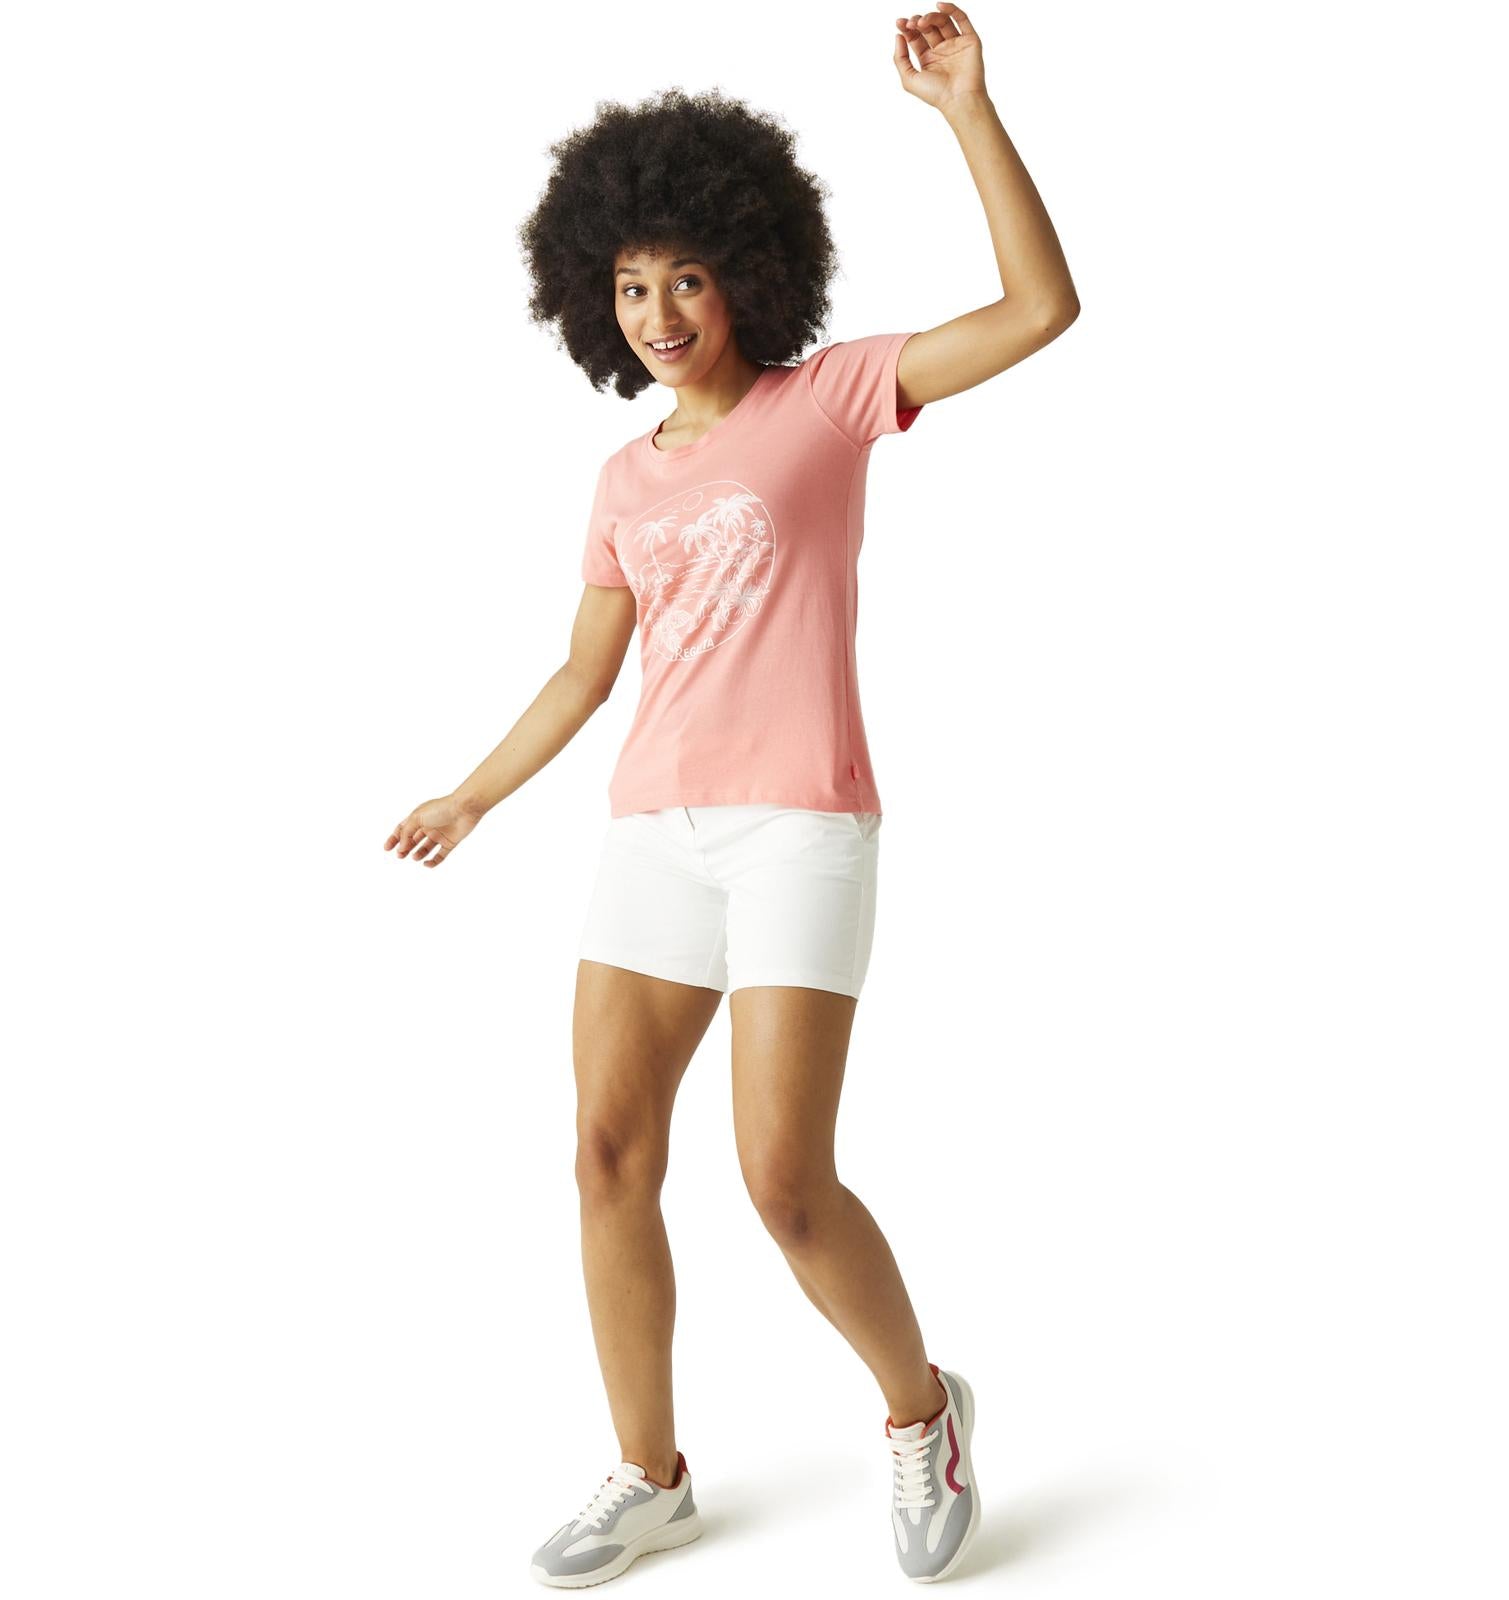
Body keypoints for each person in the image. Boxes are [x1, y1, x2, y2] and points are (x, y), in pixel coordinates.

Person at [383, 6, 1077, 1585]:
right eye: (631, 286)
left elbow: (1042, 308)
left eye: (686, 279)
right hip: (653, 832)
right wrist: (473, 795)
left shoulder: (829, 402)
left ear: (747, 274)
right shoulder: (621, 482)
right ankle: (652, 1474)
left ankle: (922, 1411)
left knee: (783, 1178)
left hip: (800, 828)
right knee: (606, 1153)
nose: (659, 313)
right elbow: (584, 675)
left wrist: (968, 112)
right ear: (591, 296)